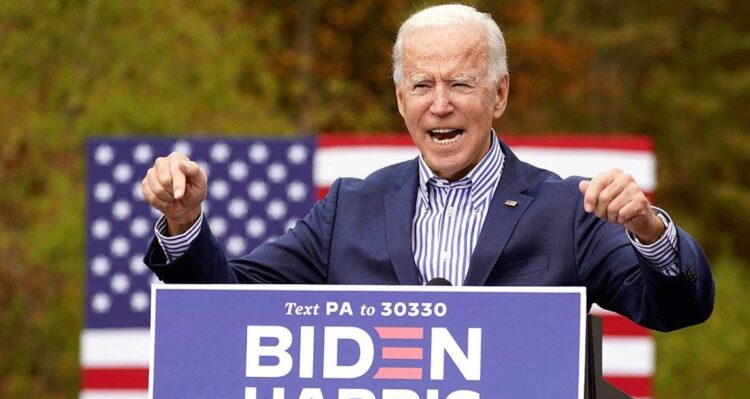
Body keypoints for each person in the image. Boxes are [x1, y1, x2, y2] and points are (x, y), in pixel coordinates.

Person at [142, 4, 713, 332]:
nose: (440, 104)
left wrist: (650, 232)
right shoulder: (349, 208)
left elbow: (679, 307)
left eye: (460, 83)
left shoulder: (568, 211)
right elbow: (227, 304)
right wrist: (185, 222)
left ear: (500, 94)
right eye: (422, 85)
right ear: (400, 99)